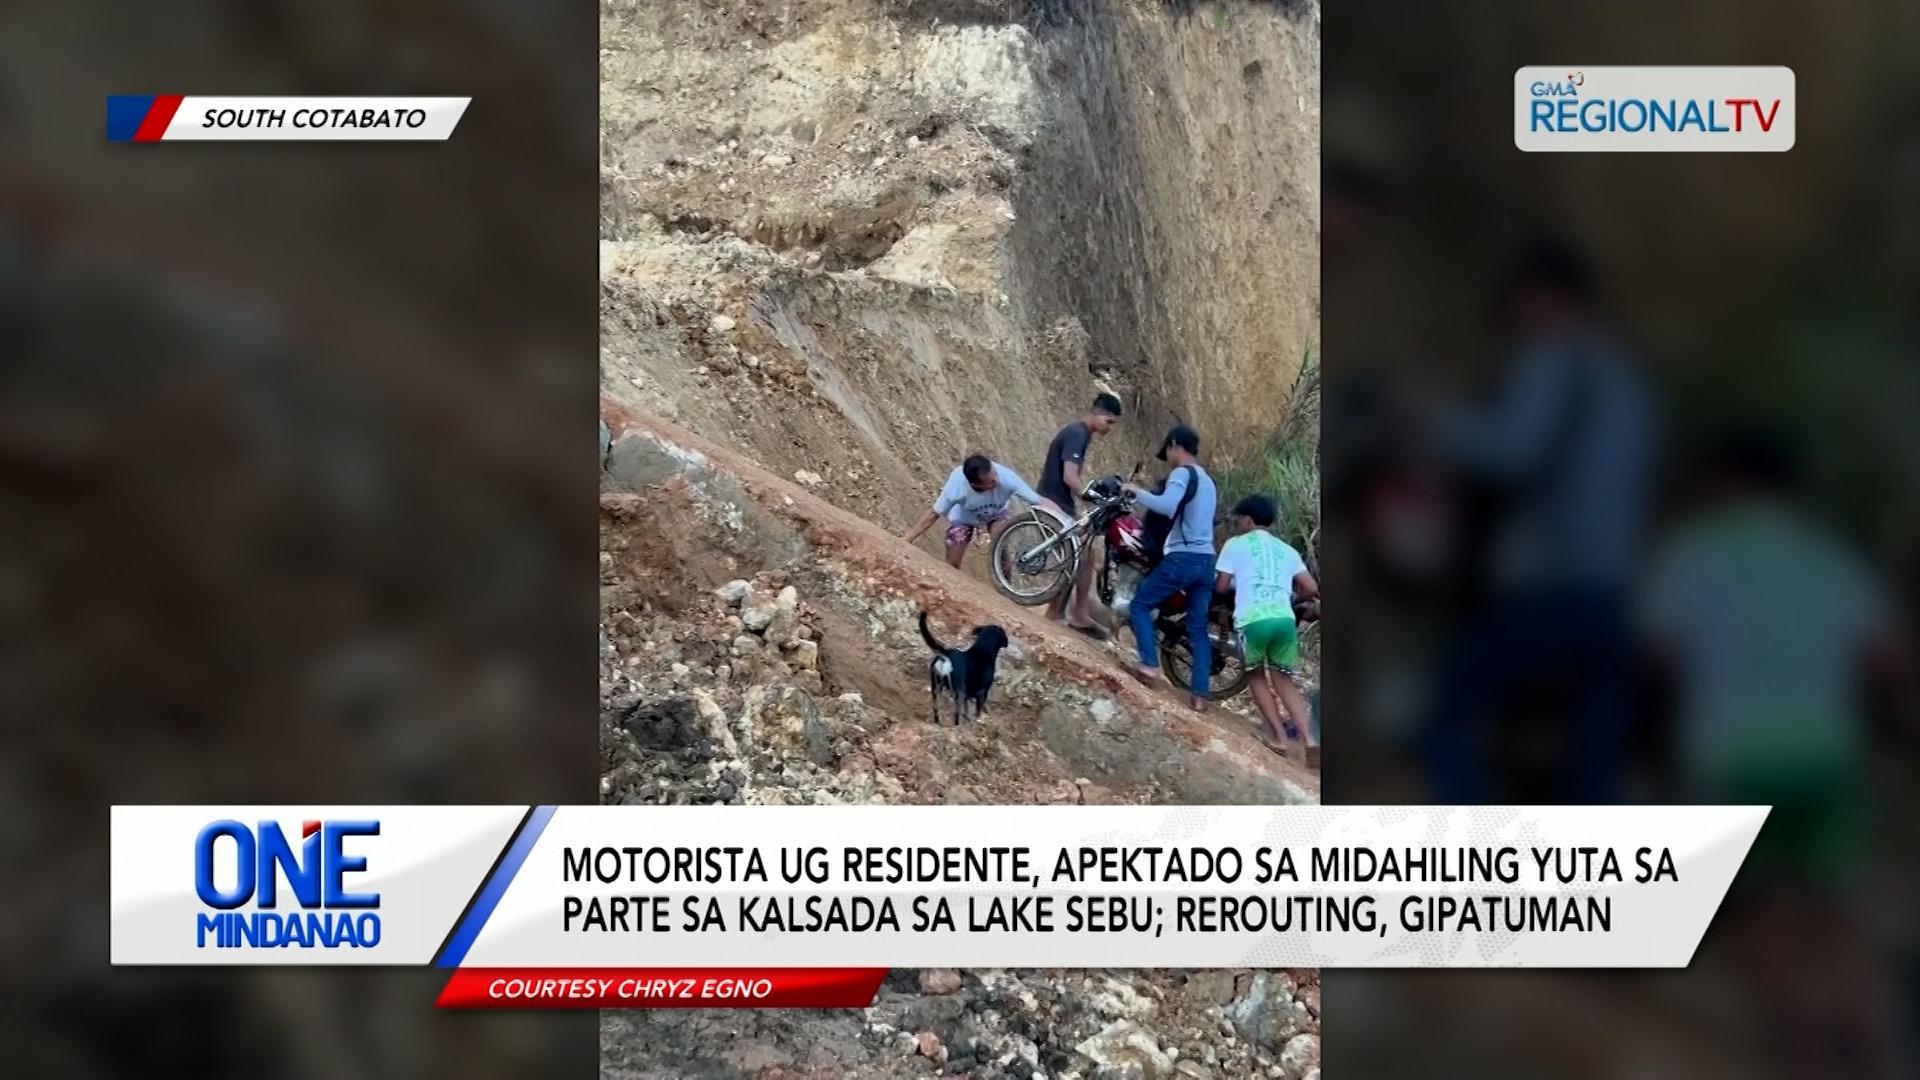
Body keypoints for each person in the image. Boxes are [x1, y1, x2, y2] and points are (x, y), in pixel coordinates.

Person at [1640, 427, 1910, 1080]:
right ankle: (1886, 1056)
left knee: (1761, 919)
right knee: (1834, 914)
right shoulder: (1829, 558)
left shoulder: (1695, 552)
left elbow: (1658, 654)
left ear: (1726, 481)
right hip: (1827, 753)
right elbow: (1890, 660)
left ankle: (1808, 1058)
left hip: (1738, 753)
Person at [1417, 236, 1655, 804]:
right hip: (1613, 595)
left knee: (1444, 726)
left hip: (1545, 588)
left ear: (1546, 298)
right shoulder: (1630, 382)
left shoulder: (1551, 360)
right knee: (1591, 764)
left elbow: (1513, 452)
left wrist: (1431, 420)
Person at [1215, 495, 1319, 761]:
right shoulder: (1287, 550)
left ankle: (1280, 738)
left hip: (1253, 620)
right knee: (1284, 680)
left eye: (1239, 520)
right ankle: (1309, 739)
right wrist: (1294, 599)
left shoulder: (1235, 545)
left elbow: (1222, 587)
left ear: (1248, 520)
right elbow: (1311, 588)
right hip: (1284, 620)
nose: (1238, 524)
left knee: (1256, 676)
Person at [1123, 425, 1218, 711]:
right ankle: (1199, 695)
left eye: (1168, 451)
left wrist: (1135, 491)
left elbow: (1166, 506)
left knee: (1140, 605)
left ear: (1176, 445)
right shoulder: (1208, 481)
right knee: (1198, 629)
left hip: (1183, 558)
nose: (1168, 457)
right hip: (1206, 561)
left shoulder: (1182, 473)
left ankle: (1149, 666)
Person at [1039, 393, 1124, 639]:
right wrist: (1089, 496)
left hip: (1061, 501)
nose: (1109, 428)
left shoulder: (1082, 434)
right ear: (1099, 414)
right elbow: (1069, 477)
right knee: (1074, 555)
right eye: (1109, 422)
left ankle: (1078, 612)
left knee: (1087, 557)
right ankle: (1057, 613)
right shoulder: (1077, 433)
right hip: (1052, 501)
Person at [903, 454, 1059, 570]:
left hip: (995, 513)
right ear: (974, 484)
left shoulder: (1006, 478)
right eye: (990, 482)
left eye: (995, 475)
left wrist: (1066, 520)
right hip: (964, 516)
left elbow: (1038, 500)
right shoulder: (956, 487)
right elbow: (932, 515)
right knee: (952, 562)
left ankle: (1006, 588)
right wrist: (904, 541)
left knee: (1001, 547)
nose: (996, 481)